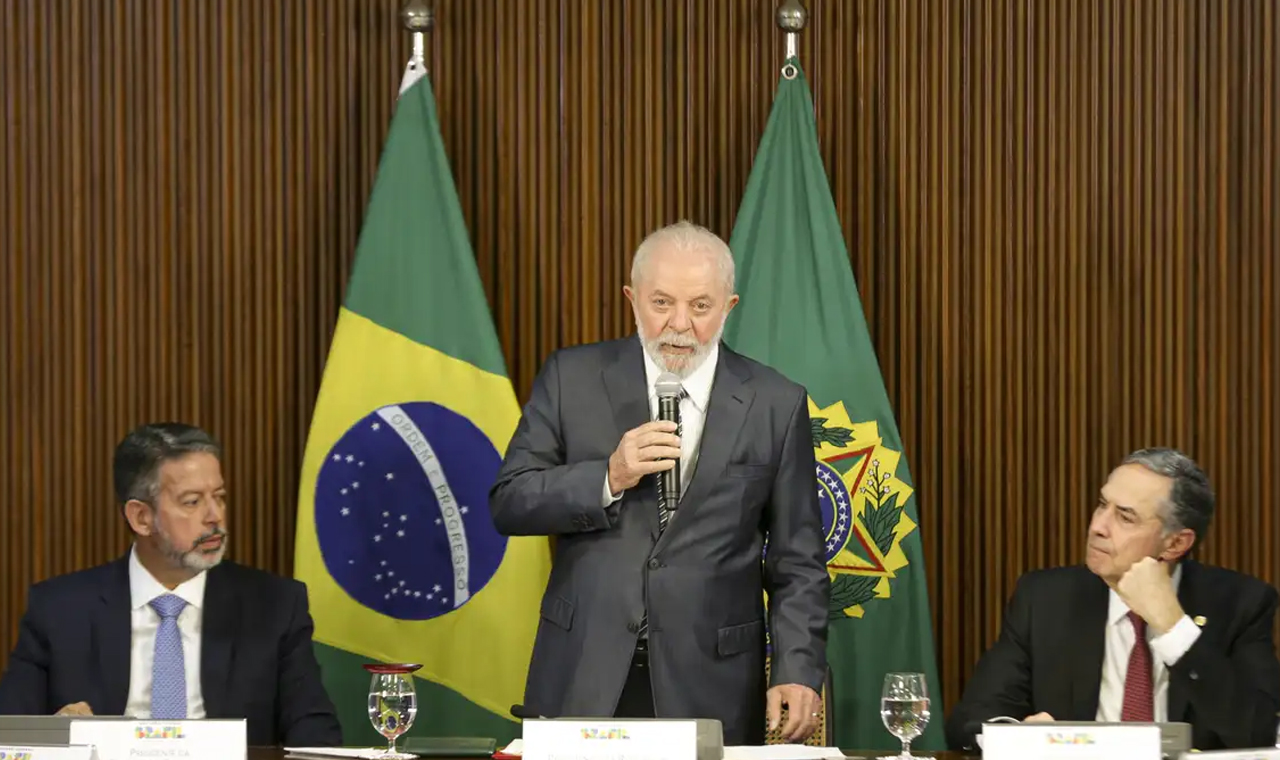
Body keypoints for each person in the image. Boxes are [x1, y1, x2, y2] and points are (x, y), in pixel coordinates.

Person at [489, 221, 830, 746]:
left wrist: (798, 668)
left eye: (700, 306)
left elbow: (798, 561)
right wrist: (608, 476)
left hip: (713, 682)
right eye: (662, 302)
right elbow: (509, 501)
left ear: (729, 306)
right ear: (632, 299)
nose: (679, 324)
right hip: (585, 673)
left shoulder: (775, 403)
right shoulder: (570, 378)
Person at [0, 423, 343, 748]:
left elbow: (317, 737)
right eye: (192, 502)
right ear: (141, 517)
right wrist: (55, 737)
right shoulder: (59, 611)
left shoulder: (274, 605)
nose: (215, 516)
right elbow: (10, 736)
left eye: (219, 497)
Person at [945, 448, 1280, 751]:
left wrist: (1174, 628)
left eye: (1125, 517)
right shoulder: (1045, 599)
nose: (1098, 527)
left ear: (1176, 543)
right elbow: (972, 720)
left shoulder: (1241, 604)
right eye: (1102, 505)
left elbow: (1258, 734)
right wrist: (1019, 737)